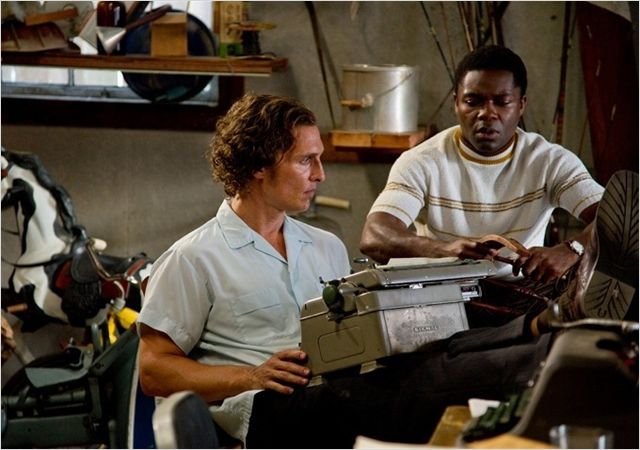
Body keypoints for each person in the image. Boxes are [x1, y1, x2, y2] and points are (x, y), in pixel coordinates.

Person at [137, 93, 637, 448]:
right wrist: (251, 374)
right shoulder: (194, 257)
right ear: (258, 166)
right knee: (429, 382)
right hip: (276, 411)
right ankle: (551, 355)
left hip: (343, 380)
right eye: (306, 161)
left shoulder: (322, 245)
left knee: (437, 346)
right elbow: (154, 370)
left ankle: (552, 325)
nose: (320, 175)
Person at [360, 45, 604, 290]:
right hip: (442, 295)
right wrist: (444, 250)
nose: (487, 113)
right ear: (456, 103)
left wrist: (572, 249)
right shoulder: (422, 161)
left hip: (526, 293)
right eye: (473, 101)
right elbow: (374, 236)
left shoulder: (549, 161)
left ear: (521, 105)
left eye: (502, 102)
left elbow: (617, 219)